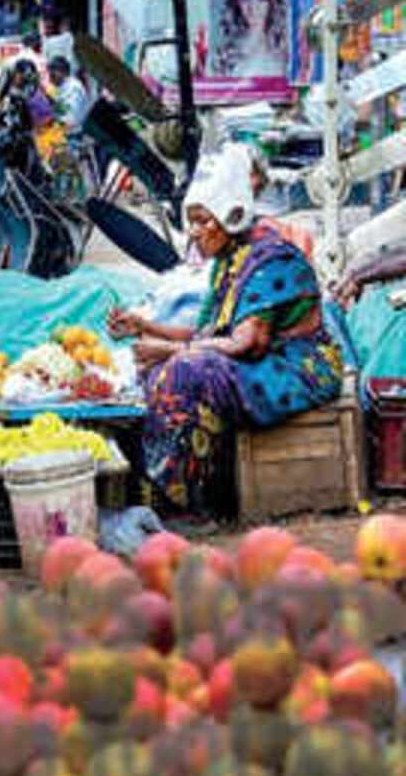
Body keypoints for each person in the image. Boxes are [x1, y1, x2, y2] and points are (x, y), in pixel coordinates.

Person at [107, 148, 342, 527]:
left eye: (202, 222)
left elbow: (247, 344)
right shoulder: (228, 260)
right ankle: (156, 489)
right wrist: (144, 327)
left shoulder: (270, 259)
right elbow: (207, 333)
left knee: (187, 370)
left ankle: (191, 505)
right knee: (151, 373)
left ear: (231, 216)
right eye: (192, 223)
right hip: (263, 361)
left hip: (299, 369)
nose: (194, 233)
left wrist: (170, 349)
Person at [215, 0, 288, 77]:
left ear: (272, 2)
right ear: (236, 2)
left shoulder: (285, 50)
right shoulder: (224, 54)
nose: (253, 8)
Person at [47, 55, 88, 131]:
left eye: (53, 74)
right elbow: (63, 109)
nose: (50, 77)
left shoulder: (73, 88)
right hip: (62, 130)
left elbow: (69, 118)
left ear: (64, 72)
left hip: (71, 134)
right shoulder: (63, 86)